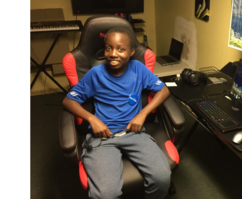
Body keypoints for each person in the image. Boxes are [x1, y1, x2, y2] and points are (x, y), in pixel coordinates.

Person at [62, 26, 171, 199]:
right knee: (106, 194)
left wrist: (143, 114)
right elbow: (68, 101)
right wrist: (91, 118)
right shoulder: (95, 74)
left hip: (134, 133)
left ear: (131, 51)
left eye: (121, 49)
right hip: (103, 138)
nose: (113, 53)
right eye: (108, 48)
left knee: (162, 178)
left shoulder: (138, 69)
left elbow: (164, 91)